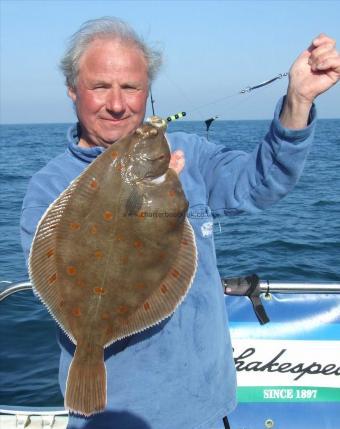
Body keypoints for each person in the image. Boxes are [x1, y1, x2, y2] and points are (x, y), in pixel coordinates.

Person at [20, 17, 340, 429]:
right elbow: (54, 276)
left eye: (131, 87)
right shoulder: (48, 185)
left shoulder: (189, 153)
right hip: (115, 415)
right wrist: (146, 204)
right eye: (100, 86)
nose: (117, 104)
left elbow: (262, 183)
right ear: (72, 89)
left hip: (210, 405)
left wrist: (298, 102)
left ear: (147, 91)